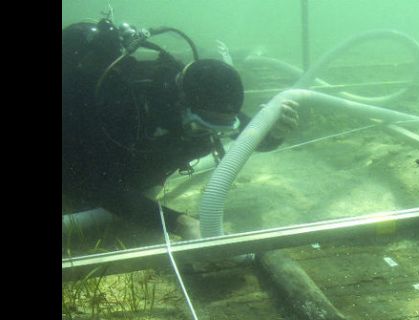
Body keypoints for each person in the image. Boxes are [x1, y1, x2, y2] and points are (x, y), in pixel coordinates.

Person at [62, 16, 300, 241]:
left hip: (132, 178)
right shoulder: (123, 107)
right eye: (202, 126)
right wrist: (181, 223)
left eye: (222, 128)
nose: (212, 134)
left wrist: (274, 133)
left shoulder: (210, 100)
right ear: (180, 105)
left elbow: (251, 137)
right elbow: (100, 187)